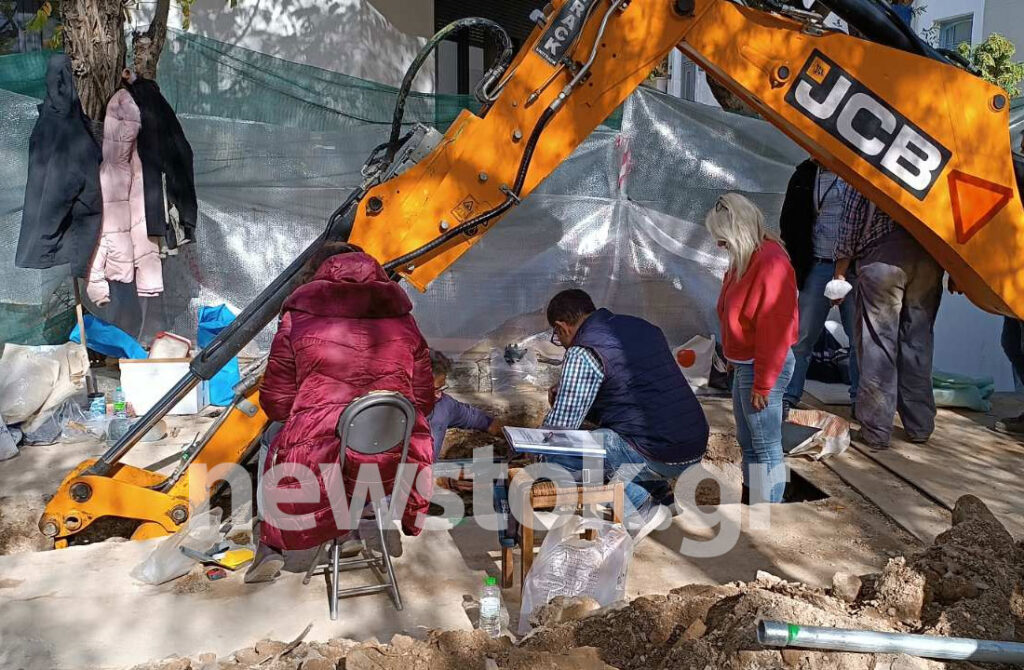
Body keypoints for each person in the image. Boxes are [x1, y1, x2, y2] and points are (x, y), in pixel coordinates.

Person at [246, 243, 435, 583]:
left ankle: (270, 545)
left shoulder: (298, 318)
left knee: (271, 440)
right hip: (393, 456)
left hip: (318, 456)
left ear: (319, 272)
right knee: (359, 452)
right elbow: (424, 398)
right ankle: (350, 528)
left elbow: (276, 402)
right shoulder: (404, 321)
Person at [540, 289, 709, 531]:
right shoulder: (643, 327)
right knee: (622, 435)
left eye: (557, 337)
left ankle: (642, 507)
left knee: (566, 450)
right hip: (694, 442)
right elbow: (636, 393)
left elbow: (560, 429)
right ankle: (662, 496)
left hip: (659, 451)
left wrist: (535, 457)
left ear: (561, 327)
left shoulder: (583, 351)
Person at [833, 188, 943, 449]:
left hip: (883, 260)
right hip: (929, 259)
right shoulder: (940, 161)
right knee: (918, 343)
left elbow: (852, 217)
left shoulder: (873, 155)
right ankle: (920, 425)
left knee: (878, 347)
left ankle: (876, 430)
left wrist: (839, 272)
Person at [706, 193, 799, 504]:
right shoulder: (745, 259)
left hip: (763, 364)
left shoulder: (771, 263)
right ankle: (754, 500)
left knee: (764, 441)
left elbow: (775, 329)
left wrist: (763, 382)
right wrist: (732, 355)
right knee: (748, 439)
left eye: (722, 237)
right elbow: (736, 314)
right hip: (745, 362)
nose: (719, 245)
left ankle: (769, 509)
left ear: (738, 231)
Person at [780, 159, 858, 413]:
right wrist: (797, 259)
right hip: (817, 264)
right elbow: (790, 219)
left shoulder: (857, 173)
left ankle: (859, 399)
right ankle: (790, 394)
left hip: (854, 269)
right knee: (802, 336)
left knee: (859, 338)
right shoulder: (806, 173)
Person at [428, 349, 502, 458]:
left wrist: (514, 437)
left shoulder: (444, 405)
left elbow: (476, 418)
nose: (438, 395)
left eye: (441, 388)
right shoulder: (397, 407)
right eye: (434, 389)